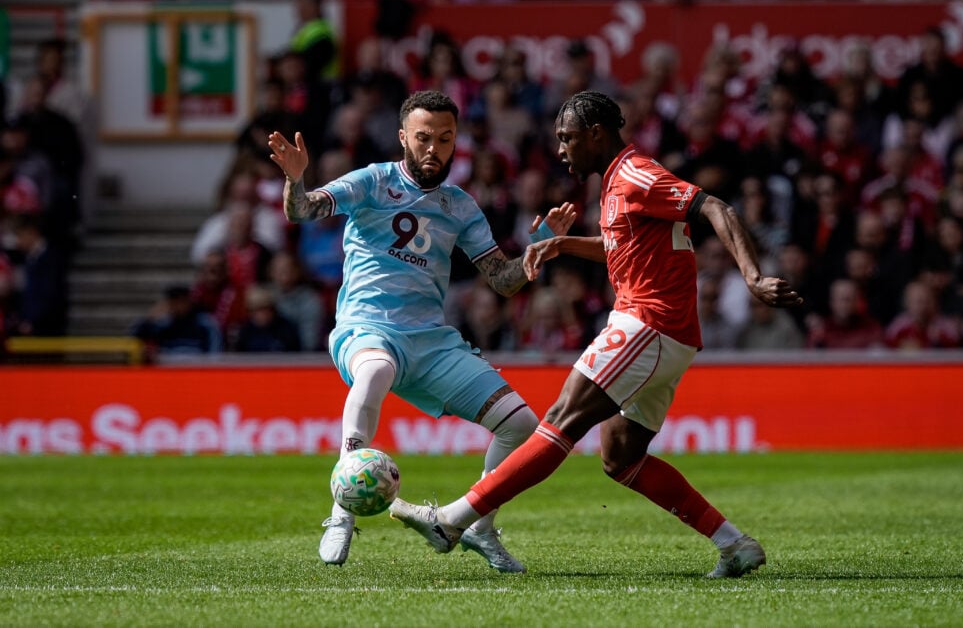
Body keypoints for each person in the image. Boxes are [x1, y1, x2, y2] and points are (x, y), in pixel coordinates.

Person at [389, 91, 802, 578]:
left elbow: (716, 208)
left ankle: (454, 521)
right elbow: (620, 245)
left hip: (648, 322)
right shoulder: (616, 183)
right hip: (669, 333)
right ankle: (734, 545)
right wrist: (561, 244)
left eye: (567, 139)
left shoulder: (635, 173)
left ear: (596, 134)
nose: (561, 150)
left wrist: (752, 277)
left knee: (561, 419)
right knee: (621, 456)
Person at [267, 90, 576, 572]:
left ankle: (479, 525)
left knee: (519, 425)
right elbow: (301, 210)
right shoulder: (372, 181)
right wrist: (296, 178)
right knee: (373, 375)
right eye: (424, 137)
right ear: (403, 138)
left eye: (446, 139)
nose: (435, 148)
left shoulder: (460, 206)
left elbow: (501, 279)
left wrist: (536, 248)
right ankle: (341, 513)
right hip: (367, 328)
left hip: (431, 342)